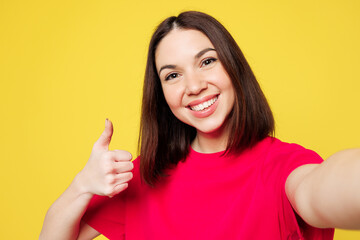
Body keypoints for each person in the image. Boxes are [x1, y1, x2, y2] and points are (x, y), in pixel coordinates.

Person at [40, 11, 360, 240]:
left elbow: (327, 188)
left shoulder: (283, 168)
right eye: (173, 75)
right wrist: (81, 185)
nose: (193, 86)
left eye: (207, 61)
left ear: (233, 67)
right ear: (162, 94)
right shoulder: (140, 179)